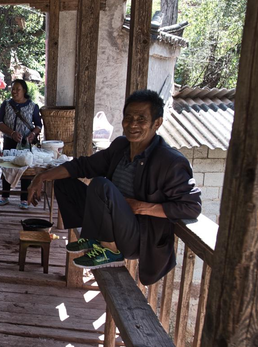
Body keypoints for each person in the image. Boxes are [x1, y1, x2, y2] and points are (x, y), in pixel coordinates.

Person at [27, 90, 201, 284]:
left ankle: (110, 251)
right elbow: (83, 166)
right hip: (110, 223)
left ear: (157, 123)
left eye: (141, 119)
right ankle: (94, 238)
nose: (133, 124)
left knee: (101, 185)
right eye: (129, 117)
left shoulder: (170, 161)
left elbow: (191, 207)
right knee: (64, 181)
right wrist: (42, 177)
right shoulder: (120, 147)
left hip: (136, 238)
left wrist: (140, 206)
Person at [0, 79, 42, 210]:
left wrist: (33, 134)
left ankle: (24, 198)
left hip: (25, 142)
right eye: (13, 89)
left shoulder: (33, 106)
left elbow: (38, 125)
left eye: (18, 89)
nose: (14, 92)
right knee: (7, 166)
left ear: (24, 91)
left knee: (24, 168)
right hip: (10, 141)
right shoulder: (6, 104)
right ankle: (5, 196)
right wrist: (11, 133)